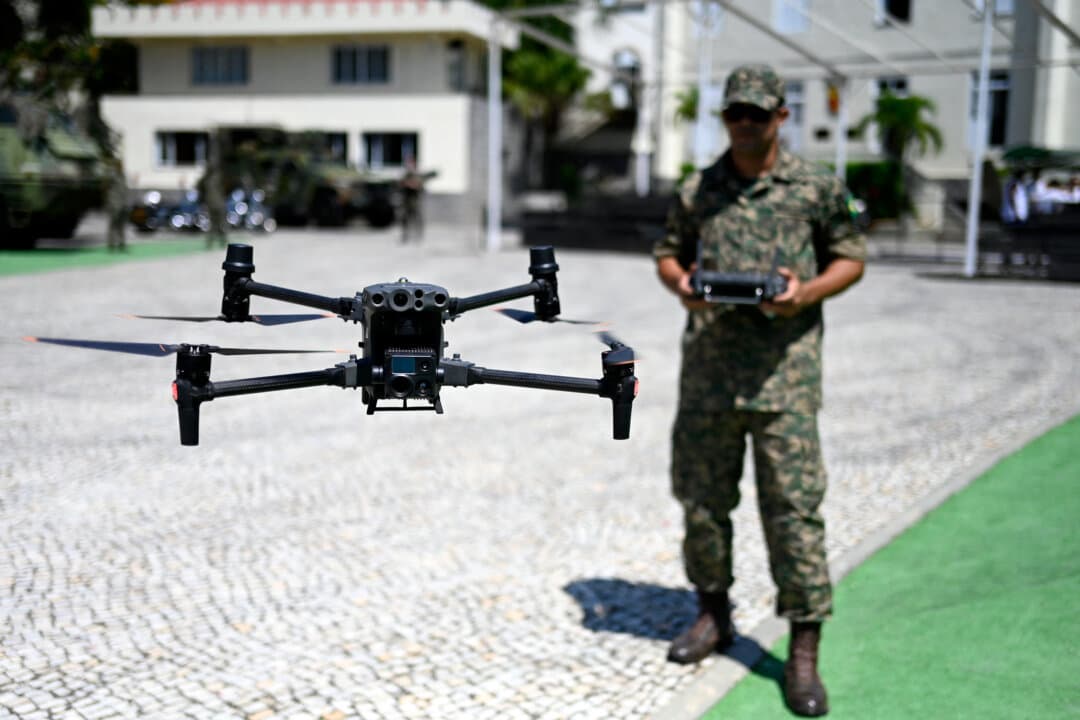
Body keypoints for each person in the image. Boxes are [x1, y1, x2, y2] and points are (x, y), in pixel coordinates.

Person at [653, 64, 866, 718]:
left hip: (785, 377)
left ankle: (803, 648)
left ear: (781, 116)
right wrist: (681, 282)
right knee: (702, 503)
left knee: (795, 513)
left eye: (757, 112)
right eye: (734, 112)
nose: (745, 122)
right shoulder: (698, 190)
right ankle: (713, 614)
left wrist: (804, 292)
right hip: (711, 376)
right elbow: (667, 253)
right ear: (726, 118)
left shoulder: (815, 188)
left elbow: (851, 257)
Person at [105, 157, 128, 251]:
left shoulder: (123, 175)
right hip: (114, 203)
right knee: (113, 225)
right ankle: (111, 244)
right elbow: (105, 187)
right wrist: (109, 201)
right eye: (120, 164)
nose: (121, 166)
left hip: (123, 203)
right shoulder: (112, 175)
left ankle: (121, 244)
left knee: (121, 225)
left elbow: (124, 190)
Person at [399, 157, 425, 243]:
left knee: (416, 218)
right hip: (406, 200)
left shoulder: (417, 175)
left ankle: (418, 235)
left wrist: (413, 185)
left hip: (414, 200)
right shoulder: (406, 175)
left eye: (411, 164)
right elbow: (401, 185)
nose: (409, 166)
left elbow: (420, 187)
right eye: (408, 164)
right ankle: (405, 235)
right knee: (405, 218)